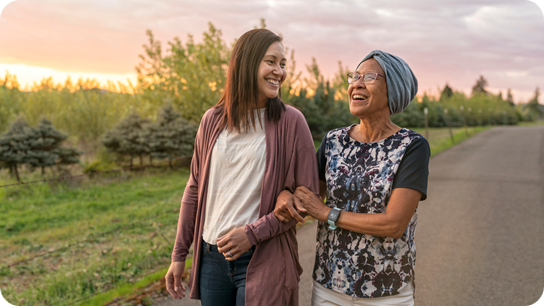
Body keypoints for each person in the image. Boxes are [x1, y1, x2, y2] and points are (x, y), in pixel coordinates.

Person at [164, 28, 319, 306]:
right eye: (271, 62)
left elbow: (306, 200)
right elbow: (194, 189)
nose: (279, 72)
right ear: (246, 63)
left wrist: (252, 234)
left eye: (282, 64)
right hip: (212, 257)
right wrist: (179, 255)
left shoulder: (292, 122)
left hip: (264, 255)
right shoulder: (212, 120)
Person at [275, 50, 430, 306]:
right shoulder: (333, 141)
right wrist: (285, 194)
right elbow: (306, 195)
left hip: (387, 291)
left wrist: (327, 214)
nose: (356, 83)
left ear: (394, 89)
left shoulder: (412, 146)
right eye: (354, 76)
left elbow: (393, 225)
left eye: (369, 77)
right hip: (329, 287)